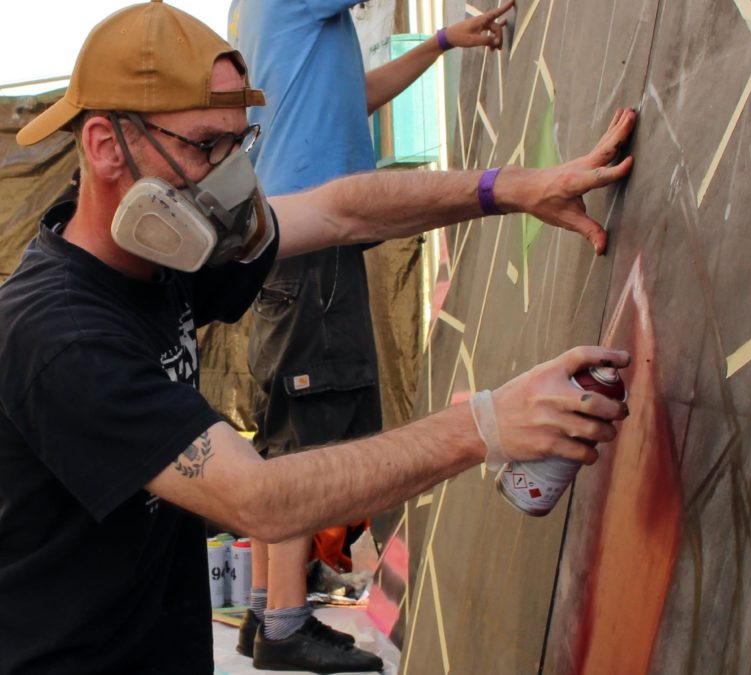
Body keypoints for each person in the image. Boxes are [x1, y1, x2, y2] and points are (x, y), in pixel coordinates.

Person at [0, 2, 636, 673]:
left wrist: (514, 187)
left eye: (237, 144)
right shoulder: (61, 336)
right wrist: (485, 425)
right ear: (106, 145)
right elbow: (259, 498)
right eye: (204, 145)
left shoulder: (161, 251)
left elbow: (338, 209)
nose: (229, 176)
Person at [226, 1, 515, 669]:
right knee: (312, 431)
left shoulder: (265, 15)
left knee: (287, 431)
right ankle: (285, 626)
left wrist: (442, 40)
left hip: (288, 237)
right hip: (314, 238)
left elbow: (354, 97)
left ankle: (268, 608)